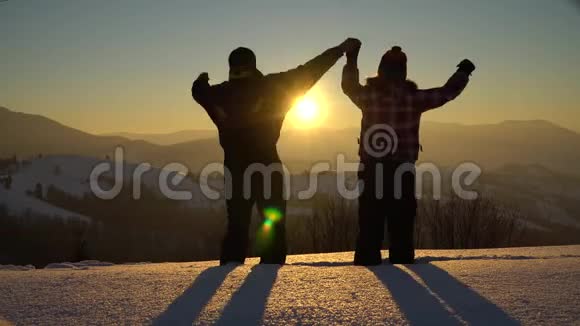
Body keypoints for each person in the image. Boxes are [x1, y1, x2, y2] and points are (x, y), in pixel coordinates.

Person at [192, 38, 360, 265]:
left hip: (235, 170)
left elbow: (198, 91)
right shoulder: (274, 88)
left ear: (231, 68)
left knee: (237, 226)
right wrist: (340, 50)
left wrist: (202, 79)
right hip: (267, 166)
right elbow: (310, 70)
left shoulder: (217, 95)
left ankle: (228, 274)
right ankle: (270, 272)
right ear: (254, 65)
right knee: (273, 224)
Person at [342, 42, 475, 265]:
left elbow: (348, 86)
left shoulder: (368, 97)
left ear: (380, 70)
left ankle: (365, 268)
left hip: (371, 168)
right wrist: (463, 72)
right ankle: (402, 263)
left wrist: (351, 60)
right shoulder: (413, 100)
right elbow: (446, 93)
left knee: (369, 222)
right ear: (403, 73)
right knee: (401, 223)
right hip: (402, 169)